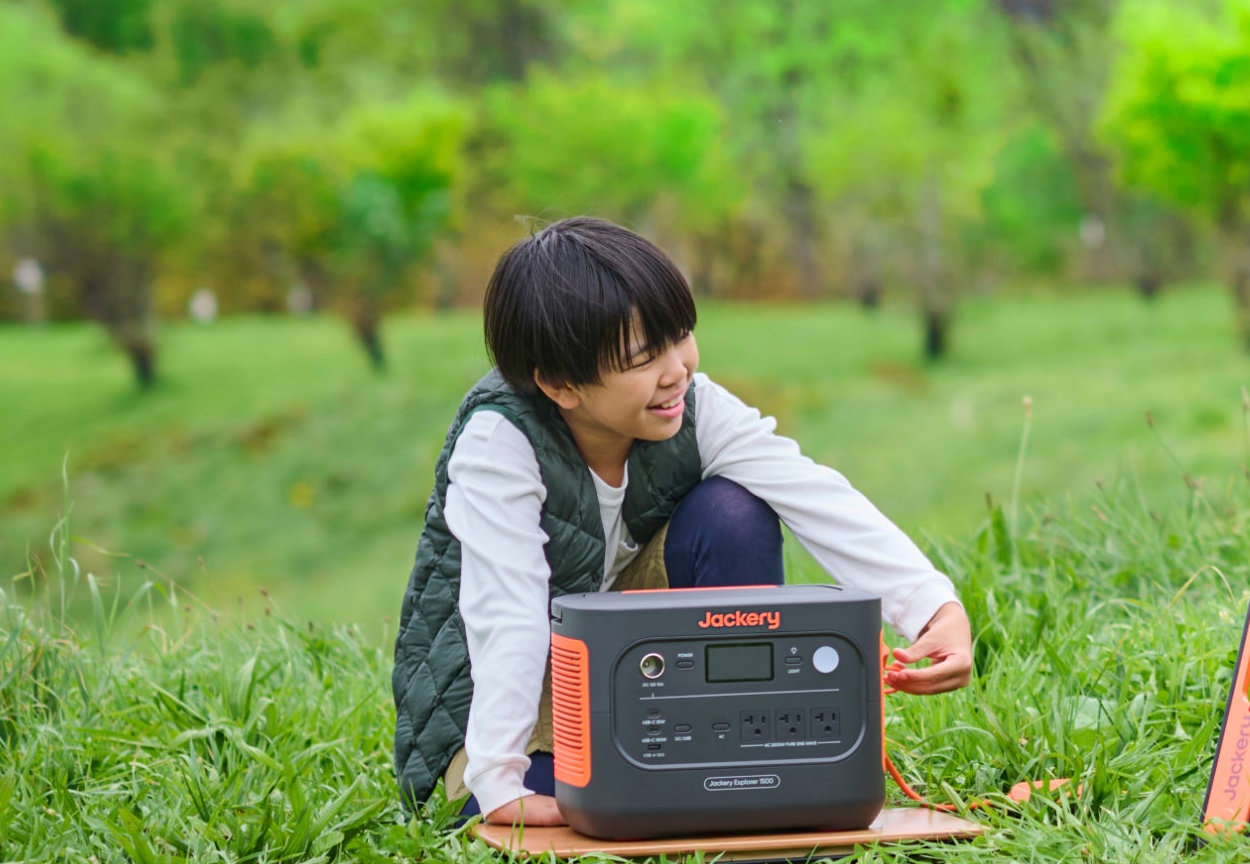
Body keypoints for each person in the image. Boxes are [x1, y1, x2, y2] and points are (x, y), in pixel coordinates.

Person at [388, 216, 977, 829]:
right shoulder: (499, 443)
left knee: (733, 513)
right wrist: (497, 781)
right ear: (561, 384)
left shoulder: (693, 408)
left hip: (612, 668)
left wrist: (934, 609)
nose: (677, 370)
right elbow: (507, 612)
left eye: (680, 336)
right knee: (563, 802)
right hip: (489, 708)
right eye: (643, 358)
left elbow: (815, 496)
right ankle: (578, 777)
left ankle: (743, 759)